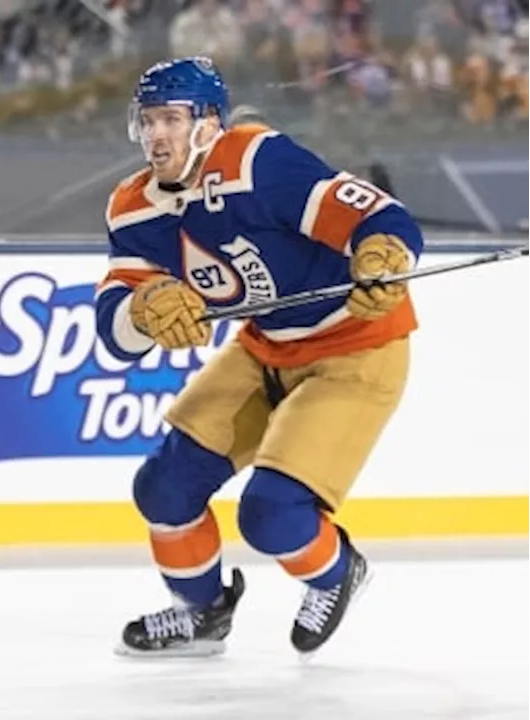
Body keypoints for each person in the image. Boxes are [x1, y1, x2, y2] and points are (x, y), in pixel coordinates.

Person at [93, 57, 423, 658]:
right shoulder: (133, 206)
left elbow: (381, 217)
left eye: (172, 118)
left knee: (272, 514)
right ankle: (201, 613)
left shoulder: (255, 161)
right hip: (266, 343)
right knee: (164, 486)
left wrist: (382, 254)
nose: (156, 134)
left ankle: (336, 572)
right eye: (148, 120)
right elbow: (115, 325)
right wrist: (140, 311)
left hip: (355, 345)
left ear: (209, 123)